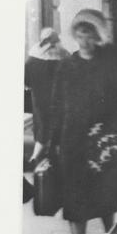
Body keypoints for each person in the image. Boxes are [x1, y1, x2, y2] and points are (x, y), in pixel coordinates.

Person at [47, 9, 117, 234]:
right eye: (80, 33)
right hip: (73, 142)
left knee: (105, 198)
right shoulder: (66, 66)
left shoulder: (111, 64)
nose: (84, 38)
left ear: (98, 36)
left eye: (90, 33)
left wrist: (112, 126)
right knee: (75, 201)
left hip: (104, 141)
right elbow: (56, 105)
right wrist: (52, 142)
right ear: (75, 35)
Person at [24, 28, 69, 163]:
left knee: (42, 125)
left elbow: (26, 82)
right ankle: (56, 154)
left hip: (39, 99)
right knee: (58, 126)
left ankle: (36, 156)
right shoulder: (64, 58)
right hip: (59, 100)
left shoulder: (32, 60)